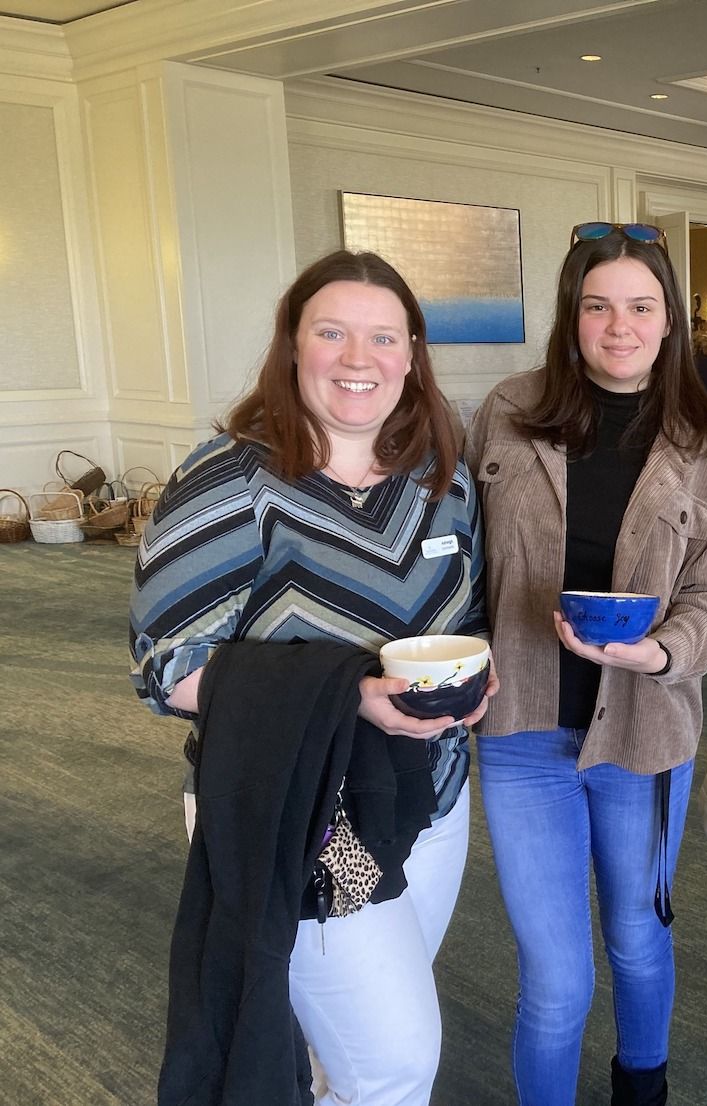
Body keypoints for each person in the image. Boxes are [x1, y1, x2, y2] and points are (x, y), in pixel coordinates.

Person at [131, 250, 492, 1106]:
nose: (358, 359)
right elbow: (164, 665)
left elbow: (467, 619)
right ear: (294, 347)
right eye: (332, 333)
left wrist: (479, 672)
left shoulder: (442, 480)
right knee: (394, 1064)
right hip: (304, 814)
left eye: (382, 337)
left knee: (345, 1053)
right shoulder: (229, 480)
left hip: (429, 800)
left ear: (412, 354)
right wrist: (350, 695)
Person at [464, 220, 707, 1106]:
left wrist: (665, 647)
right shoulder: (508, 415)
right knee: (556, 979)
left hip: (646, 732)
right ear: (570, 316)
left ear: (669, 322)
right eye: (597, 307)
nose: (619, 326)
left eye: (640, 305)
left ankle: (642, 1091)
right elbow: (459, 559)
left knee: (637, 939)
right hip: (520, 733)